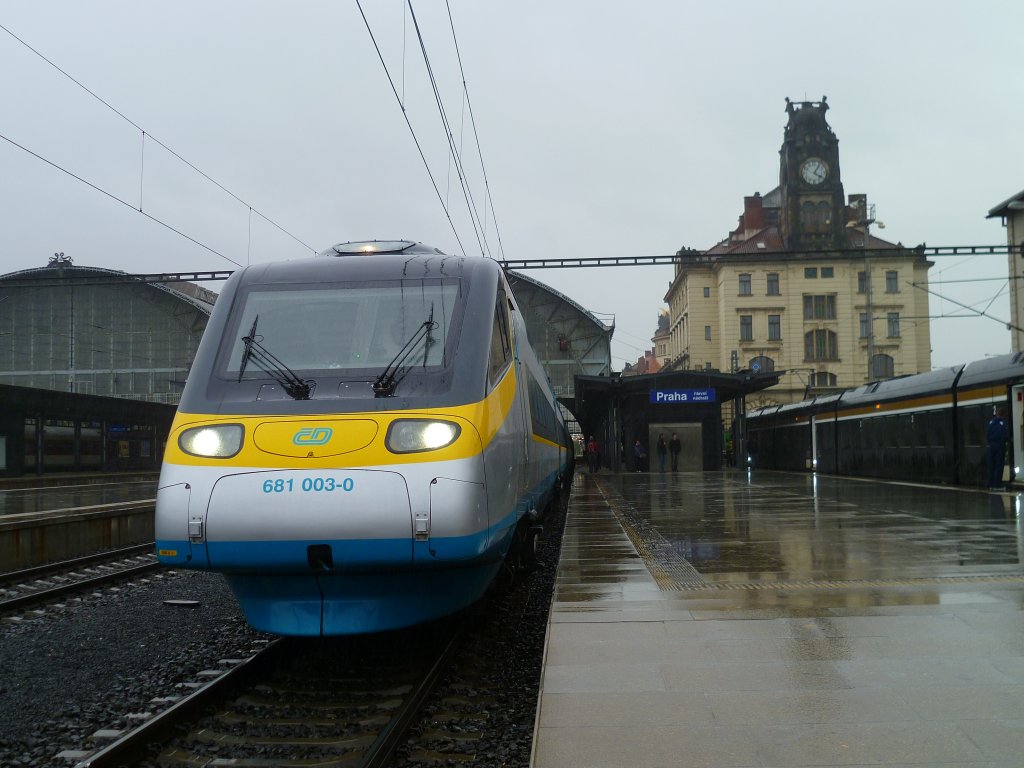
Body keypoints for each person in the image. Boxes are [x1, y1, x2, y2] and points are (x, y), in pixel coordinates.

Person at [987, 407, 1009, 490]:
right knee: (998, 466)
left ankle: (991, 484)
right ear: (1003, 415)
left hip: (991, 446)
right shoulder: (1003, 423)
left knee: (991, 465)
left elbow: (987, 435)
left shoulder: (991, 422)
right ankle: (997, 485)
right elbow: (1005, 435)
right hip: (999, 446)